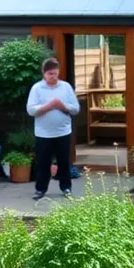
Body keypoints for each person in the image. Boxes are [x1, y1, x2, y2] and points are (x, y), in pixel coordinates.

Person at [26, 57, 80, 200]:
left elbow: (75, 108)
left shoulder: (66, 87)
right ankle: (41, 189)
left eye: (55, 73)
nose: (53, 76)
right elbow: (31, 110)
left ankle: (66, 187)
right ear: (44, 74)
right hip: (43, 133)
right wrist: (48, 106)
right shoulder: (37, 88)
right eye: (50, 74)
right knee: (43, 162)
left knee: (64, 161)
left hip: (63, 131)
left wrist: (63, 107)